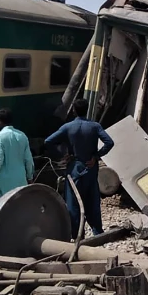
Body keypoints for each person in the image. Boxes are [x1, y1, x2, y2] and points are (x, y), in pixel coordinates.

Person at [44, 99, 115, 239]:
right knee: (92, 201)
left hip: (74, 168)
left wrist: (63, 155)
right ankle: (97, 233)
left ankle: (77, 235)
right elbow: (109, 142)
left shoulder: (68, 127)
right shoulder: (95, 126)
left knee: (73, 203)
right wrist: (96, 156)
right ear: (87, 109)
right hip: (90, 167)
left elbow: (48, 141)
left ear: (74, 111)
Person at [0, 109, 34, 207]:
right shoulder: (22, 136)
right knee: (20, 206)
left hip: (5, 180)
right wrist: (30, 177)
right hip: (21, 178)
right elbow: (29, 160)